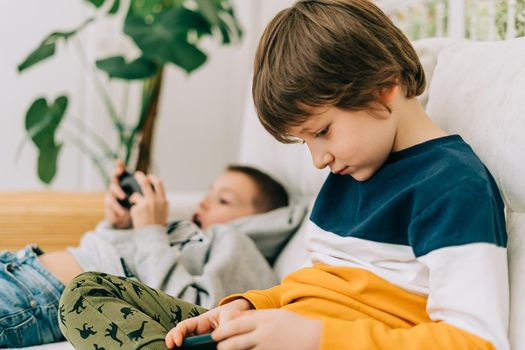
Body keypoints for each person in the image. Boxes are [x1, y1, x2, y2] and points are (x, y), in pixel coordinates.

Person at [59, 0, 509, 349]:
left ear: (383, 86)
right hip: (283, 333)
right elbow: (313, 287)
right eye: (306, 142)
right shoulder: (348, 176)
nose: (318, 160)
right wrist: (246, 306)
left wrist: (314, 339)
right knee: (84, 295)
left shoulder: (453, 187)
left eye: (322, 132)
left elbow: (475, 341)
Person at [0, 161, 302, 348]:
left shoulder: (236, 244)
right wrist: (120, 225)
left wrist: (149, 230)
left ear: (258, 220)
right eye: (209, 193)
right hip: (19, 265)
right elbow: (121, 257)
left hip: (39, 296)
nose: (205, 203)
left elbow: (193, 309)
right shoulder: (188, 234)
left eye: (223, 200)